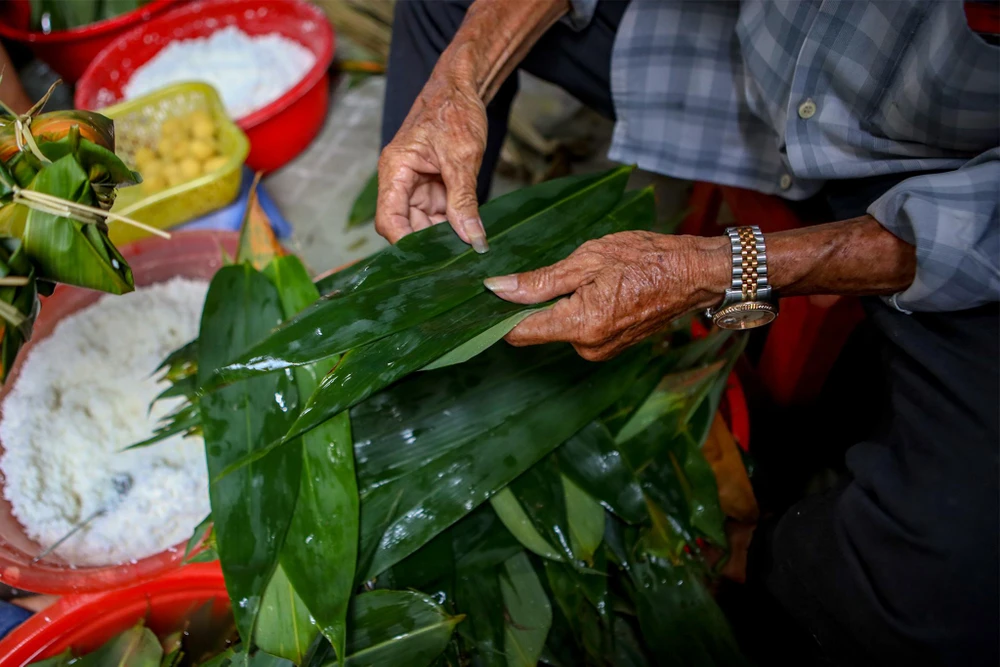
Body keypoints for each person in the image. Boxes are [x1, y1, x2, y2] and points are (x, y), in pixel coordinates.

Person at [376, 1, 999, 665]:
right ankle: (416, 295)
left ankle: (736, 558)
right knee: (452, 16)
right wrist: (462, 78)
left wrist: (721, 266)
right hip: (769, 60)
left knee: (933, 592)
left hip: (946, 182)